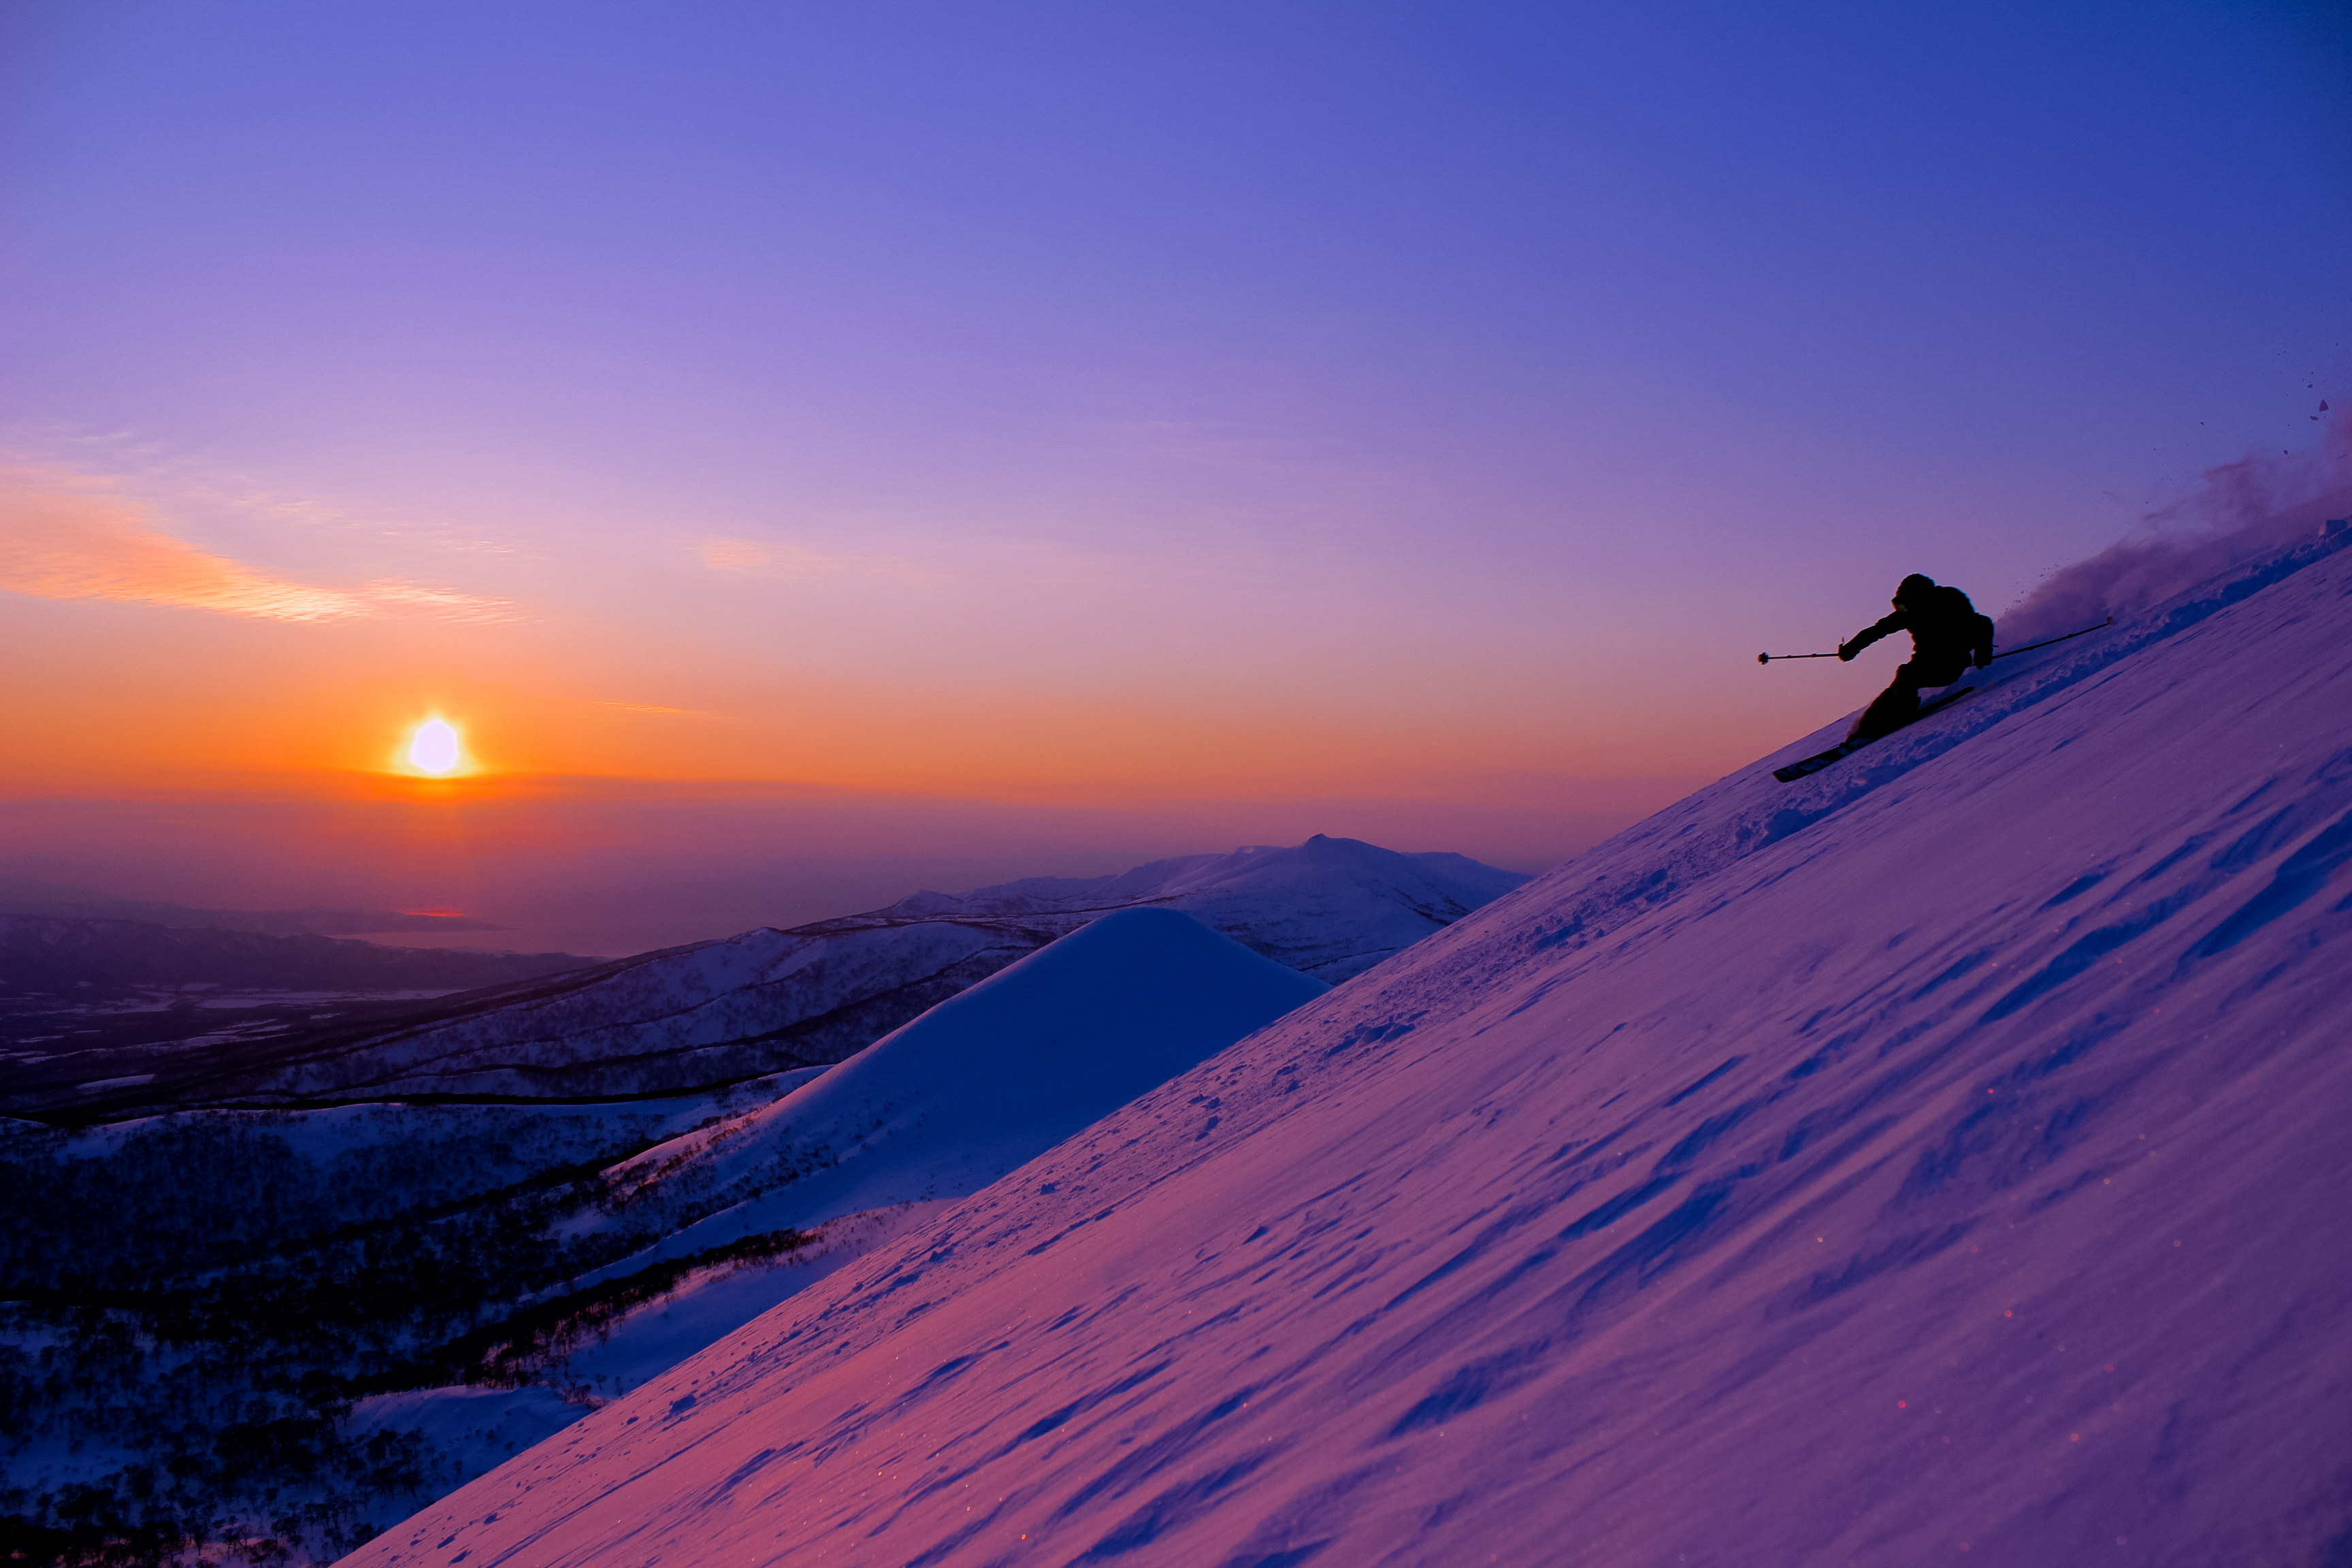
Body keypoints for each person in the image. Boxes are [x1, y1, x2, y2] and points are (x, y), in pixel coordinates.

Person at [1838, 574, 1995, 742]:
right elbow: (1877, 631)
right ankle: (1864, 731)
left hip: (1951, 662)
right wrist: (1851, 649)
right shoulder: (1908, 612)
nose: (1903, 610)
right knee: (1894, 690)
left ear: (1919, 599)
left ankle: (1903, 713)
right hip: (1924, 662)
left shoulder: (1949, 600)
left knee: (1906, 675)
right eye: (1901, 607)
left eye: (1906, 606)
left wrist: (1983, 651)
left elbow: (1982, 623)